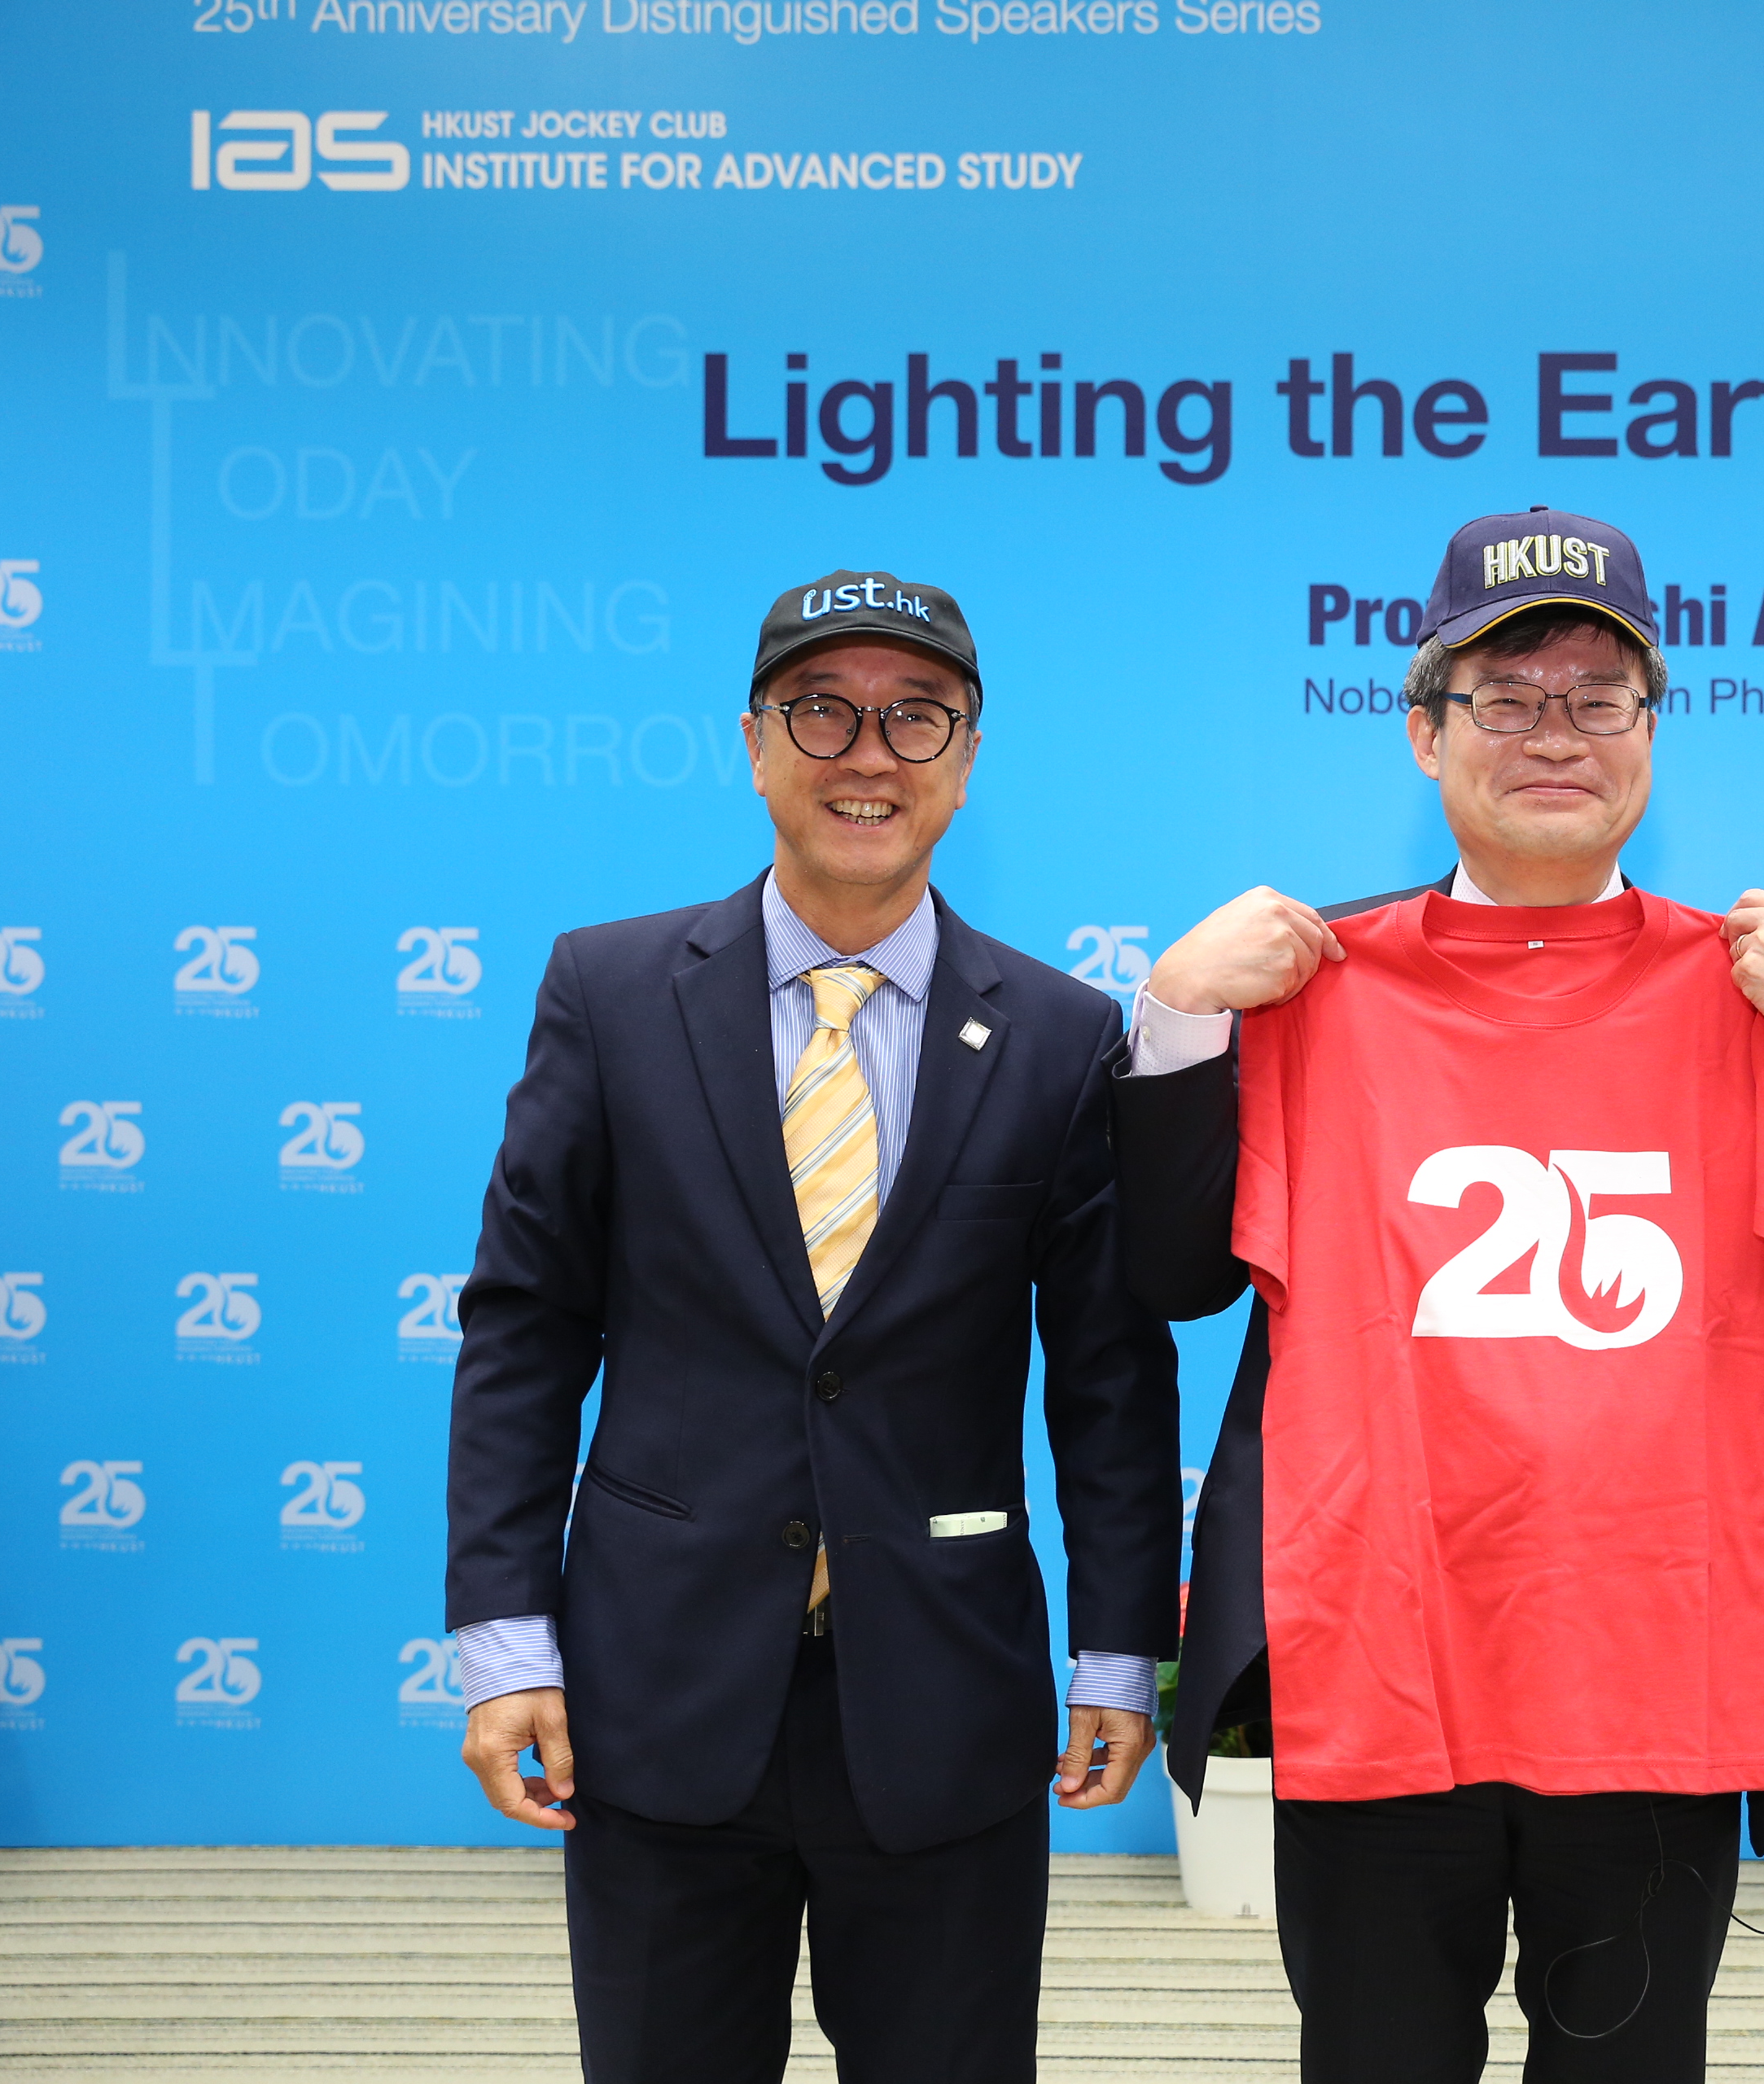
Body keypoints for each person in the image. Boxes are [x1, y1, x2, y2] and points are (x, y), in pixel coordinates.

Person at [1115, 507, 1764, 2083]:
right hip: (1381, 1668)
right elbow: (1173, 1275)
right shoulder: (1308, 983)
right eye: (1505, 695)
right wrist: (1173, 1019)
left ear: (1651, 731)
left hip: (1651, 1681)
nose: (1556, 732)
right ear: (1424, 732)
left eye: (1597, 696)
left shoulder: (1763, 988)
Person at [443, 569, 1183, 2083]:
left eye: (918, 719)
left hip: (943, 1698)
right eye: (823, 711)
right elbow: (527, 1325)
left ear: (968, 762)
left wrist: (1118, 1653)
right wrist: (503, 1632)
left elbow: (1107, 1376)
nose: (869, 755)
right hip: (658, 1689)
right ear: (755, 743)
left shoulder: (1058, 1035)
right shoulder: (613, 989)